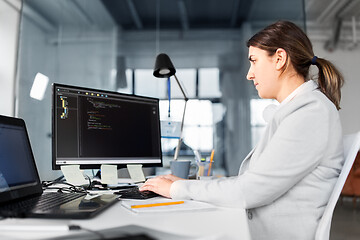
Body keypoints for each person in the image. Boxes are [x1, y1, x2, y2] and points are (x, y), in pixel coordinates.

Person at [140, 20, 344, 239]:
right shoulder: (300, 111)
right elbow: (252, 183)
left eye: (254, 61)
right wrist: (183, 185)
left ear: (280, 59)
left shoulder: (310, 113)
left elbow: (250, 190)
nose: (249, 74)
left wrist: (177, 189)